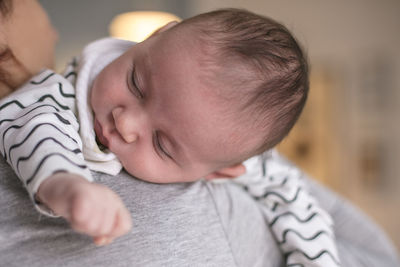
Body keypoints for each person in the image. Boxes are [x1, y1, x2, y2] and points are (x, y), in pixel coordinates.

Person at [0, 1, 399, 266]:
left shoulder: (240, 157)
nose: (126, 122)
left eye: (161, 143)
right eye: (137, 83)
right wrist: (66, 185)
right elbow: (32, 127)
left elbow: (302, 211)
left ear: (218, 175)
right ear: (153, 37)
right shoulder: (66, 92)